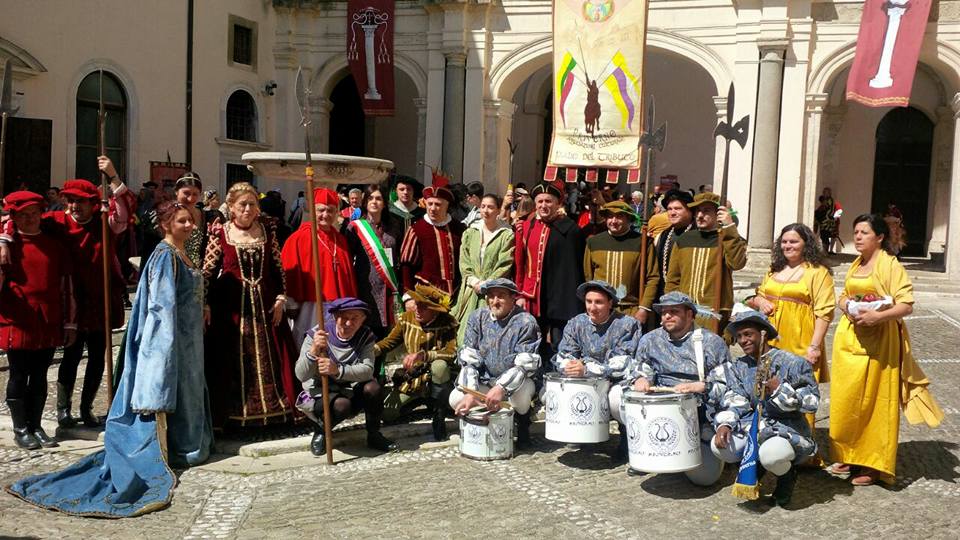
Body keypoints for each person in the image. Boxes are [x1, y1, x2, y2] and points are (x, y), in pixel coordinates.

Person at [7, 200, 213, 517]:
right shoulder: (163, 257)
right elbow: (159, 312)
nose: (190, 226)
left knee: (189, 392)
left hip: (189, 345)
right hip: (171, 345)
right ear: (166, 225)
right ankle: (179, 448)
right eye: (183, 221)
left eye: (192, 221)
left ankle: (186, 444)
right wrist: (159, 360)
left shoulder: (181, 253)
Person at [1, 159, 130, 429]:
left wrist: (113, 176)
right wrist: (4, 240)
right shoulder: (54, 221)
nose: (74, 205)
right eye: (70, 200)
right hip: (69, 300)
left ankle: (87, 408)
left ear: (92, 203)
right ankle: (63, 409)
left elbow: (123, 213)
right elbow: (18, 219)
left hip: (99, 300)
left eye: (80, 201)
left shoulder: (105, 222)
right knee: (70, 356)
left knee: (97, 357)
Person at [829, 214, 943, 486]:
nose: (857, 237)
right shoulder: (856, 263)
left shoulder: (890, 266)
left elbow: (906, 304)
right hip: (851, 340)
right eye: (855, 232)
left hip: (881, 342)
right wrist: (846, 306)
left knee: (875, 401)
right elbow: (844, 294)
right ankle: (849, 452)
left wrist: (877, 317)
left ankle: (872, 463)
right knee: (847, 398)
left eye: (864, 232)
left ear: (879, 237)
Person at [203, 182, 297, 428]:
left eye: (252, 204)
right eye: (242, 204)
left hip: (265, 306)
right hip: (231, 308)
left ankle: (277, 410)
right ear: (231, 208)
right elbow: (207, 273)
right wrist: (204, 303)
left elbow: (279, 270)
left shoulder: (268, 232)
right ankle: (233, 413)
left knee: (273, 356)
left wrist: (280, 299)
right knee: (231, 358)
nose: (247, 209)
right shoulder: (220, 233)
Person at [711, 309, 820, 507]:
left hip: (786, 428)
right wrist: (724, 424)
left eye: (748, 334)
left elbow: (812, 403)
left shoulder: (793, 363)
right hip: (752, 426)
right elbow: (735, 398)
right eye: (739, 336)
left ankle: (786, 476)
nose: (743, 341)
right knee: (720, 445)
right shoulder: (739, 366)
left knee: (772, 455)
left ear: (763, 334)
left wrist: (780, 390)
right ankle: (756, 466)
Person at [747, 222, 834, 461]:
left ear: (806, 243)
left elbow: (824, 312)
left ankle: (801, 453)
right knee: (768, 390)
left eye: (794, 241)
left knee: (798, 393)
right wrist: (759, 301)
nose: (788, 245)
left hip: (801, 340)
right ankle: (768, 445)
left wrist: (814, 346)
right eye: (784, 241)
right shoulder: (774, 269)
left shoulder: (817, 273)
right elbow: (757, 296)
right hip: (772, 341)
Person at [627, 291, 731, 483]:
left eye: (674, 311)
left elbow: (727, 387)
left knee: (704, 479)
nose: (667, 316)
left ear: (690, 315)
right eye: (664, 312)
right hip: (660, 412)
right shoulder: (649, 340)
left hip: (700, 413)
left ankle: (708, 446)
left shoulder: (712, 343)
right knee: (621, 398)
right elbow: (640, 370)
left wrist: (702, 387)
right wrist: (640, 379)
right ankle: (646, 446)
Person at [0, 192, 75, 449]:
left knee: (41, 374)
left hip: (48, 317)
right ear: (14, 217)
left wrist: (70, 322)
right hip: (18, 318)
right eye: (24, 215)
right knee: (19, 374)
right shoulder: (7, 246)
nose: (31, 219)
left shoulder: (54, 246)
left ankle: (36, 425)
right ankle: (21, 429)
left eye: (34, 213)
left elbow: (67, 287)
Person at [296, 298, 398, 456]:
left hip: (349, 387)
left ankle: (374, 434)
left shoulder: (366, 337)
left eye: (355, 318)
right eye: (344, 318)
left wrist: (337, 370)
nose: (349, 323)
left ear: (362, 320)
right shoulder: (317, 335)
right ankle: (322, 429)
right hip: (322, 391)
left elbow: (367, 370)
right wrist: (314, 351)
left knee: (373, 388)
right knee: (342, 405)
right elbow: (301, 374)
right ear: (335, 317)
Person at [553, 281, 641, 459]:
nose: (592, 307)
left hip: (617, 381)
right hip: (585, 379)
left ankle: (627, 440)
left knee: (616, 399)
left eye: (598, 302)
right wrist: (570, 365)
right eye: (588, 301)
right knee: (553, 390)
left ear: (610, 303)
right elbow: (565, 352)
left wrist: (587, 369)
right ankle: (581, 431)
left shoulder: (627, 325)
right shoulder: (576, 323)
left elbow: (623, 363)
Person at [450, 278, 540, 446]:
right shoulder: (477, 318)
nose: (495, 301)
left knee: (522, 397)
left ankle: (522, 425)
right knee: (456, 398)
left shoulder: (526, 322)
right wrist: (471, 392)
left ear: (513, 298)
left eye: (501, 296)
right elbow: (469, 358)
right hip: (485, 380)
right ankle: (488, 424)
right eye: (491, 296)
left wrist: (501, 388)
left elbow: (524, 364)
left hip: (515, 384)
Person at [375, 284, 458, 441]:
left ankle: (438, 415)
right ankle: (422, 399)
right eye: (417, 304)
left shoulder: (447, 322)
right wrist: (372, 349)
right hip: (414, 377)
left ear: (435, 309)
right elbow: (389, 342)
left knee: (439, 366)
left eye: (424, 307)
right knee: (388, 414)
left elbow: (451, 352)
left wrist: (424, 355)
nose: (418, 310)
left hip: (439, 377)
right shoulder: (407, 318)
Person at [515, 181, 586, 364]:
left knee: (559, 343)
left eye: (548, 201)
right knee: (532, 342)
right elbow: (520, 262)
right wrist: (520, 292)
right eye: (540, 202)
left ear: (557, 204)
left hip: (559, 296)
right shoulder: (527, 227)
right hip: (534, 295)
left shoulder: (570, 230)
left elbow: (576, 265)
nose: (544, 206)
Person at [282, 188, 358, 349]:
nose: (325, 215)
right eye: (321, 210)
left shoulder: (340, 240)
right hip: (309, 307)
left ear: (337, 212)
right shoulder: (298, 238)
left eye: (330, 210)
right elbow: (289, 274)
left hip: (337, 306)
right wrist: (291, 304)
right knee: (307, 346)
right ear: (313, 210)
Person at [665, 191, 747, 332]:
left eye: (706, 211)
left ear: (718, 213)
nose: (700, 215)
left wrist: (729, 227)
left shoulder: (727, 238)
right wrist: (671, 306)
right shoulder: (684, 240)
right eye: (697, 211)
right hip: (686, 312)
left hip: (715, 313)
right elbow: (673, 279)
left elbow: (737, 263)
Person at [451, 193, 515, 342]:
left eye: (491, 207)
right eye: (483, 207)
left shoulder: (506, 234)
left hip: (493, 292)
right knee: (465, 328)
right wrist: (473, 280)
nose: (486, 210)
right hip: (471, 288)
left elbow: (505, 262)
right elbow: (464, 259)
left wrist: (488, 283)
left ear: (498, 210)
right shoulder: (470, 231)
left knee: (489, 330)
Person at [344, 184, 405, 338]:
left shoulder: (394, 226)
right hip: (366, 289)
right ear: (365, 202)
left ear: (384, 203)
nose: (374, 202)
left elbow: (400, 255)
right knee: (368, 334)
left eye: (378, 198)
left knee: (390, 336)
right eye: (370, 198)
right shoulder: (355, 227)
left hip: (390, 288)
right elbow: (348, 259)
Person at [583, 201, 659, 324]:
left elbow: (653, 277)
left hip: (630, 311)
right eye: (610, 216)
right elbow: (588, 277)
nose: (613, 221)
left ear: (628, 218)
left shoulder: (643, 243)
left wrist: (644, 308)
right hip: (600, 310)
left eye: (619, 216)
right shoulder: (594, 242)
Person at [398, 180, 465, 296]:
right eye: (430, 204)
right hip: (426, 293)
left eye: (438, 204)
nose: (433, 208)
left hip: (457, 293)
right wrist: (408, 295)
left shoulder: (459, 228)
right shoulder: (416, 229)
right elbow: (406, 266)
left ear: (447, 205)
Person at [653, 190, 694, 308]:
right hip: (666, 297)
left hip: (689, 298)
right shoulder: (663, 235)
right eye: (670, 209)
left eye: (678, 208)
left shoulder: (697, 235)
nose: (672, 213)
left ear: (690, 210)